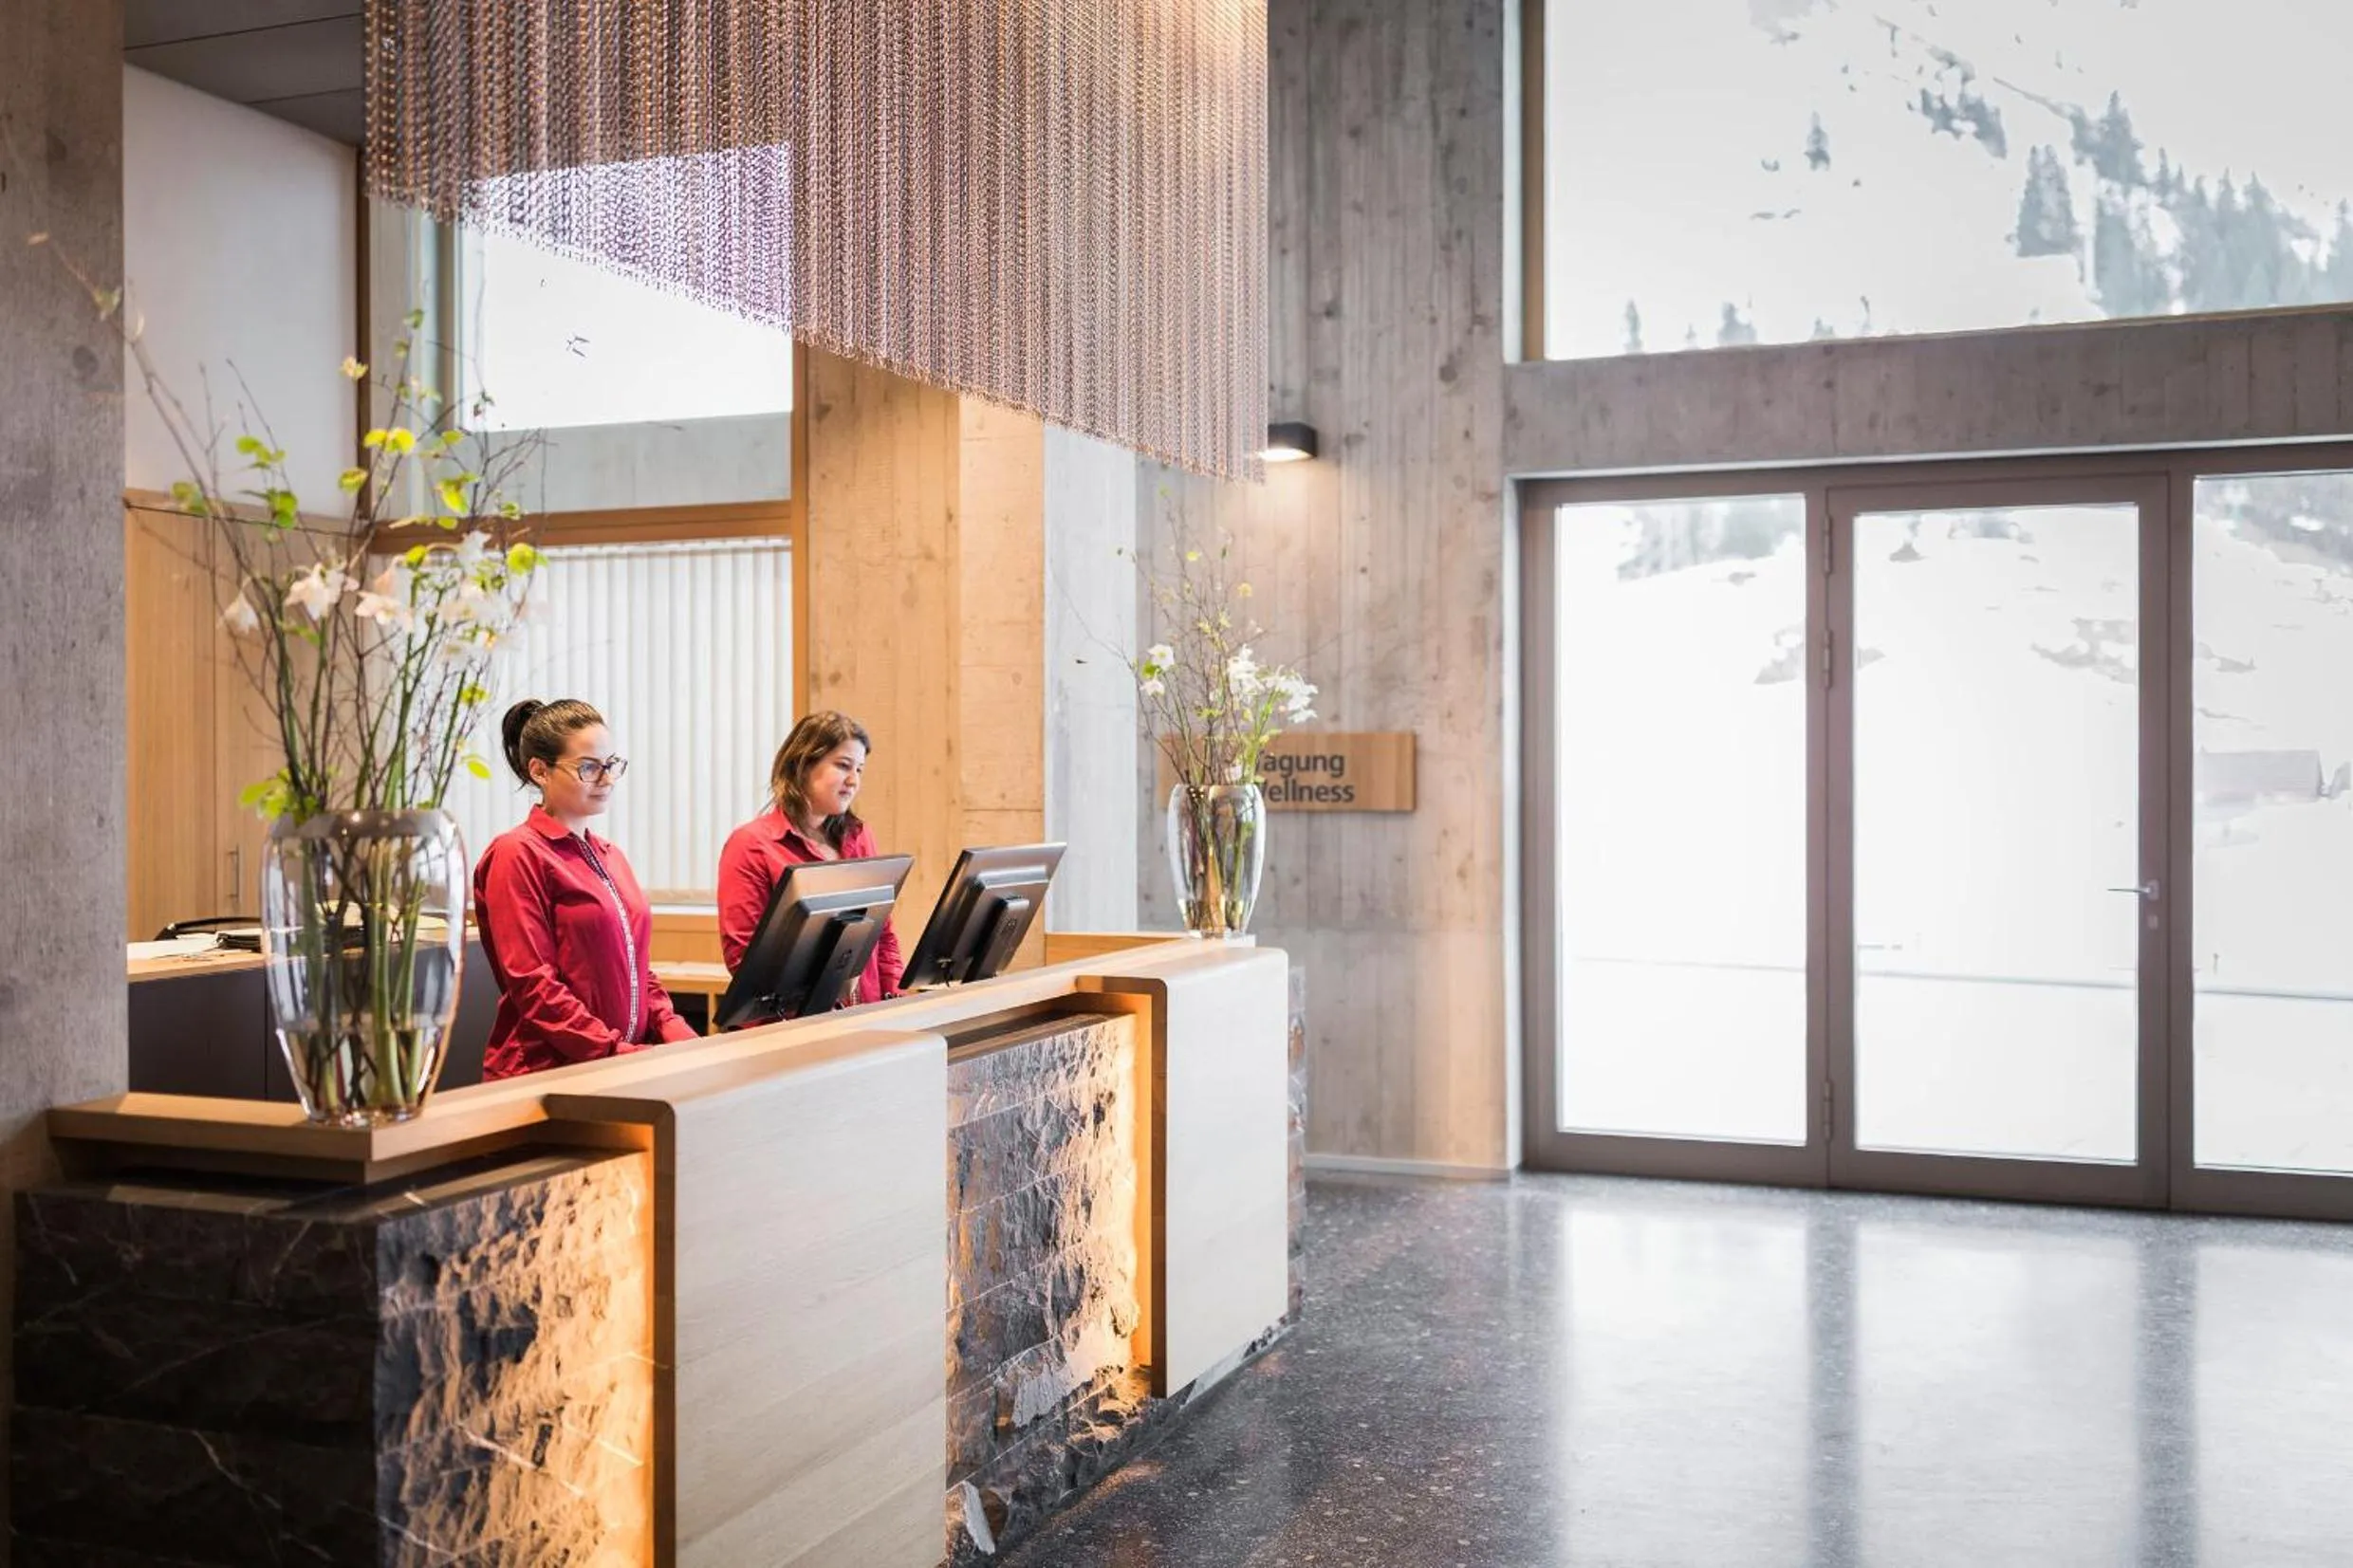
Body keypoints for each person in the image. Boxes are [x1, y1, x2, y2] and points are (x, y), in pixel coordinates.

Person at [472, 698, 696, 1079]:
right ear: (540, 771)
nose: (606, 779)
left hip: (613, 1067)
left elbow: (636, 968)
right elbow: (534, 984)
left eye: (610, 766)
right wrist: (612, 1051)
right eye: (589, 768)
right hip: (544, 1074)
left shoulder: (611, 856)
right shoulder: (517, 853)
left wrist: (671, 1027)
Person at [716, 710, 904, 1005]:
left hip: (867, 1020)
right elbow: (744, 959)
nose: (853, 781)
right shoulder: (750, 844)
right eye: (843, 766)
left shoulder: (860, 836)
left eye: (859, 770)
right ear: (803, 765)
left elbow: (883, 934)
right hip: (792, 1029)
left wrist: (896, 1001)